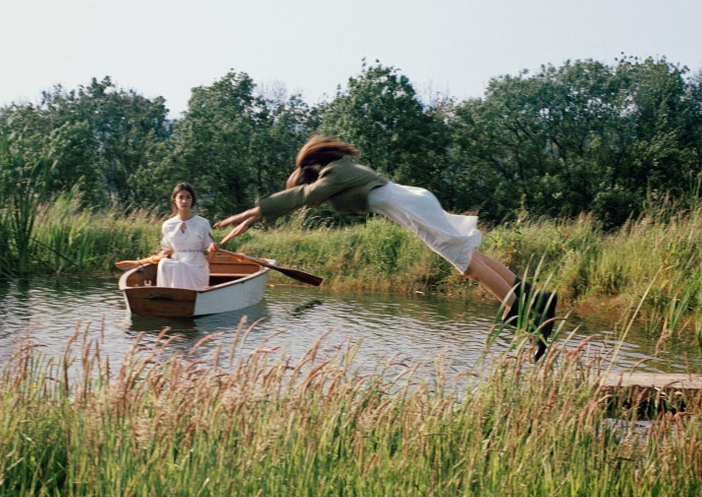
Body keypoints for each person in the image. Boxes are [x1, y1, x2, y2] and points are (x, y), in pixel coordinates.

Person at [215, 135, 558, 348]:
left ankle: (527, 315)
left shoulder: (332, 175)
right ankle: (534, 297)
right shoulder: (343, 172)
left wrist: (255, 212)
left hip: (412, 208)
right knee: (468, 255)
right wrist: (257, 215)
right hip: (414, 203)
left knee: (466, 265)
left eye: (316, 199)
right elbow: (306, 196)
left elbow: (305, 195)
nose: (317, 205)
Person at [154, 181, 217, 290]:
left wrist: (212, 250)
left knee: (178, 267)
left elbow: (210, 257)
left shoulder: (203, 223)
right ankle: (167, 295)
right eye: (181, 197)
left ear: (192, 200)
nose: (184, 201)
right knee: (164, 263)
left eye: (188, 197)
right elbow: (167, 251)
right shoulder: (167, 225)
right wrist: (162, 254)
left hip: (197, 267)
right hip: (176, 266)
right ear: (174, 200)